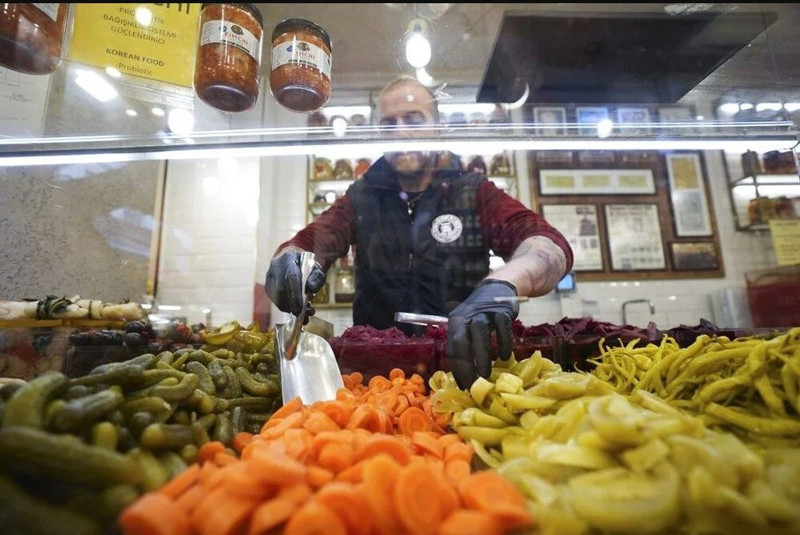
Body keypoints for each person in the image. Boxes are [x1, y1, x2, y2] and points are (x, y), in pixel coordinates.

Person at [265, 75, 573, 389]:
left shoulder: (473, 191)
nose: (400, 132)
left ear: (438, 129)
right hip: (376, 381)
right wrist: (289, 262)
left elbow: (548, 247)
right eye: (388, 124)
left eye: (413, 119)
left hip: (464, 372)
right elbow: (309, 242)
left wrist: (503, 284)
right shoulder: (361, 196)